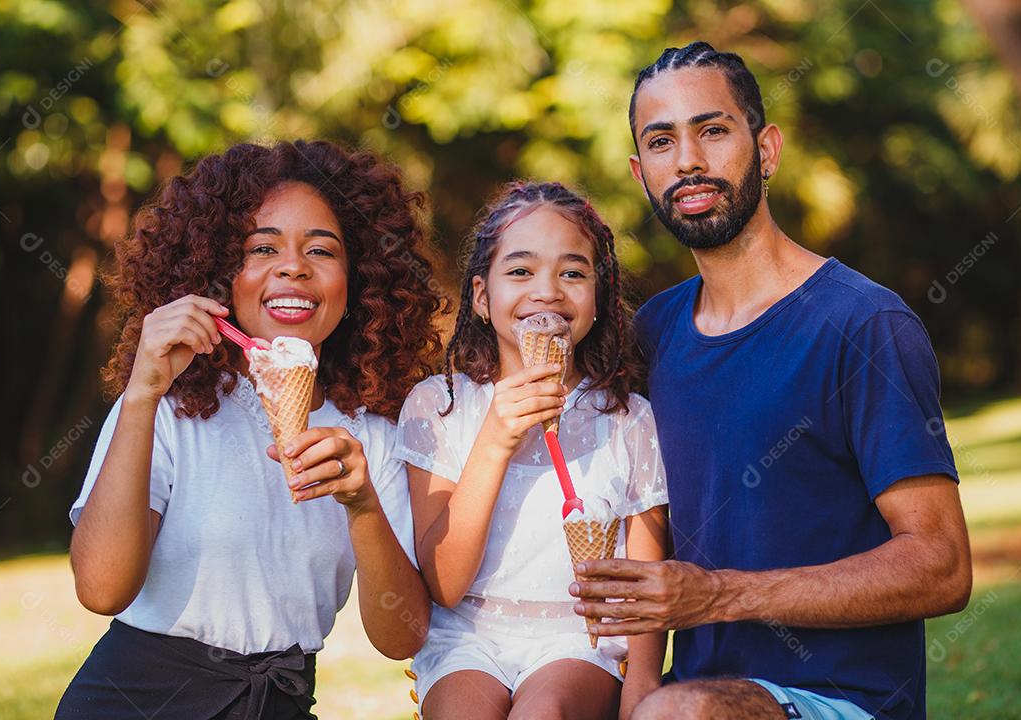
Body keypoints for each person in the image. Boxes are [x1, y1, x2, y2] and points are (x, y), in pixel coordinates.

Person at [569, 42, 972, 720]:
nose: (689, 160)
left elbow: (943, 565)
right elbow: (642, 531)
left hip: (846, 703)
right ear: (642, 175)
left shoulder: (863, 323)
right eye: (662, 141)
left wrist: (723, 594)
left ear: (768, 149)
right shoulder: (651, 335)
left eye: (713, 130)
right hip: (684, 695)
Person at [57, 140, 442, 720]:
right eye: (262, 247)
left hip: (278, 703)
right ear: (219, 275)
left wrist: (362, 504)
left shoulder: (377, 430)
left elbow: (401, 639)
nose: (293, 265)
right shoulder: (168, 405)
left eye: (322, 250)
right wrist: (140, 393)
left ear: (358, 280)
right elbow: (101, 591)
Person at [396, 181, 669, 719]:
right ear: (481, 296)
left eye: (572, 272)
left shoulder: (628, 417)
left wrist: (641, 688)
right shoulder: (439, 406)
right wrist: (495, 438)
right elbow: (445, 587)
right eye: (520, 271)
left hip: (580, 637)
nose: (547, 290)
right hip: (466, 636)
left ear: (599, 296)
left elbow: (645, 574)